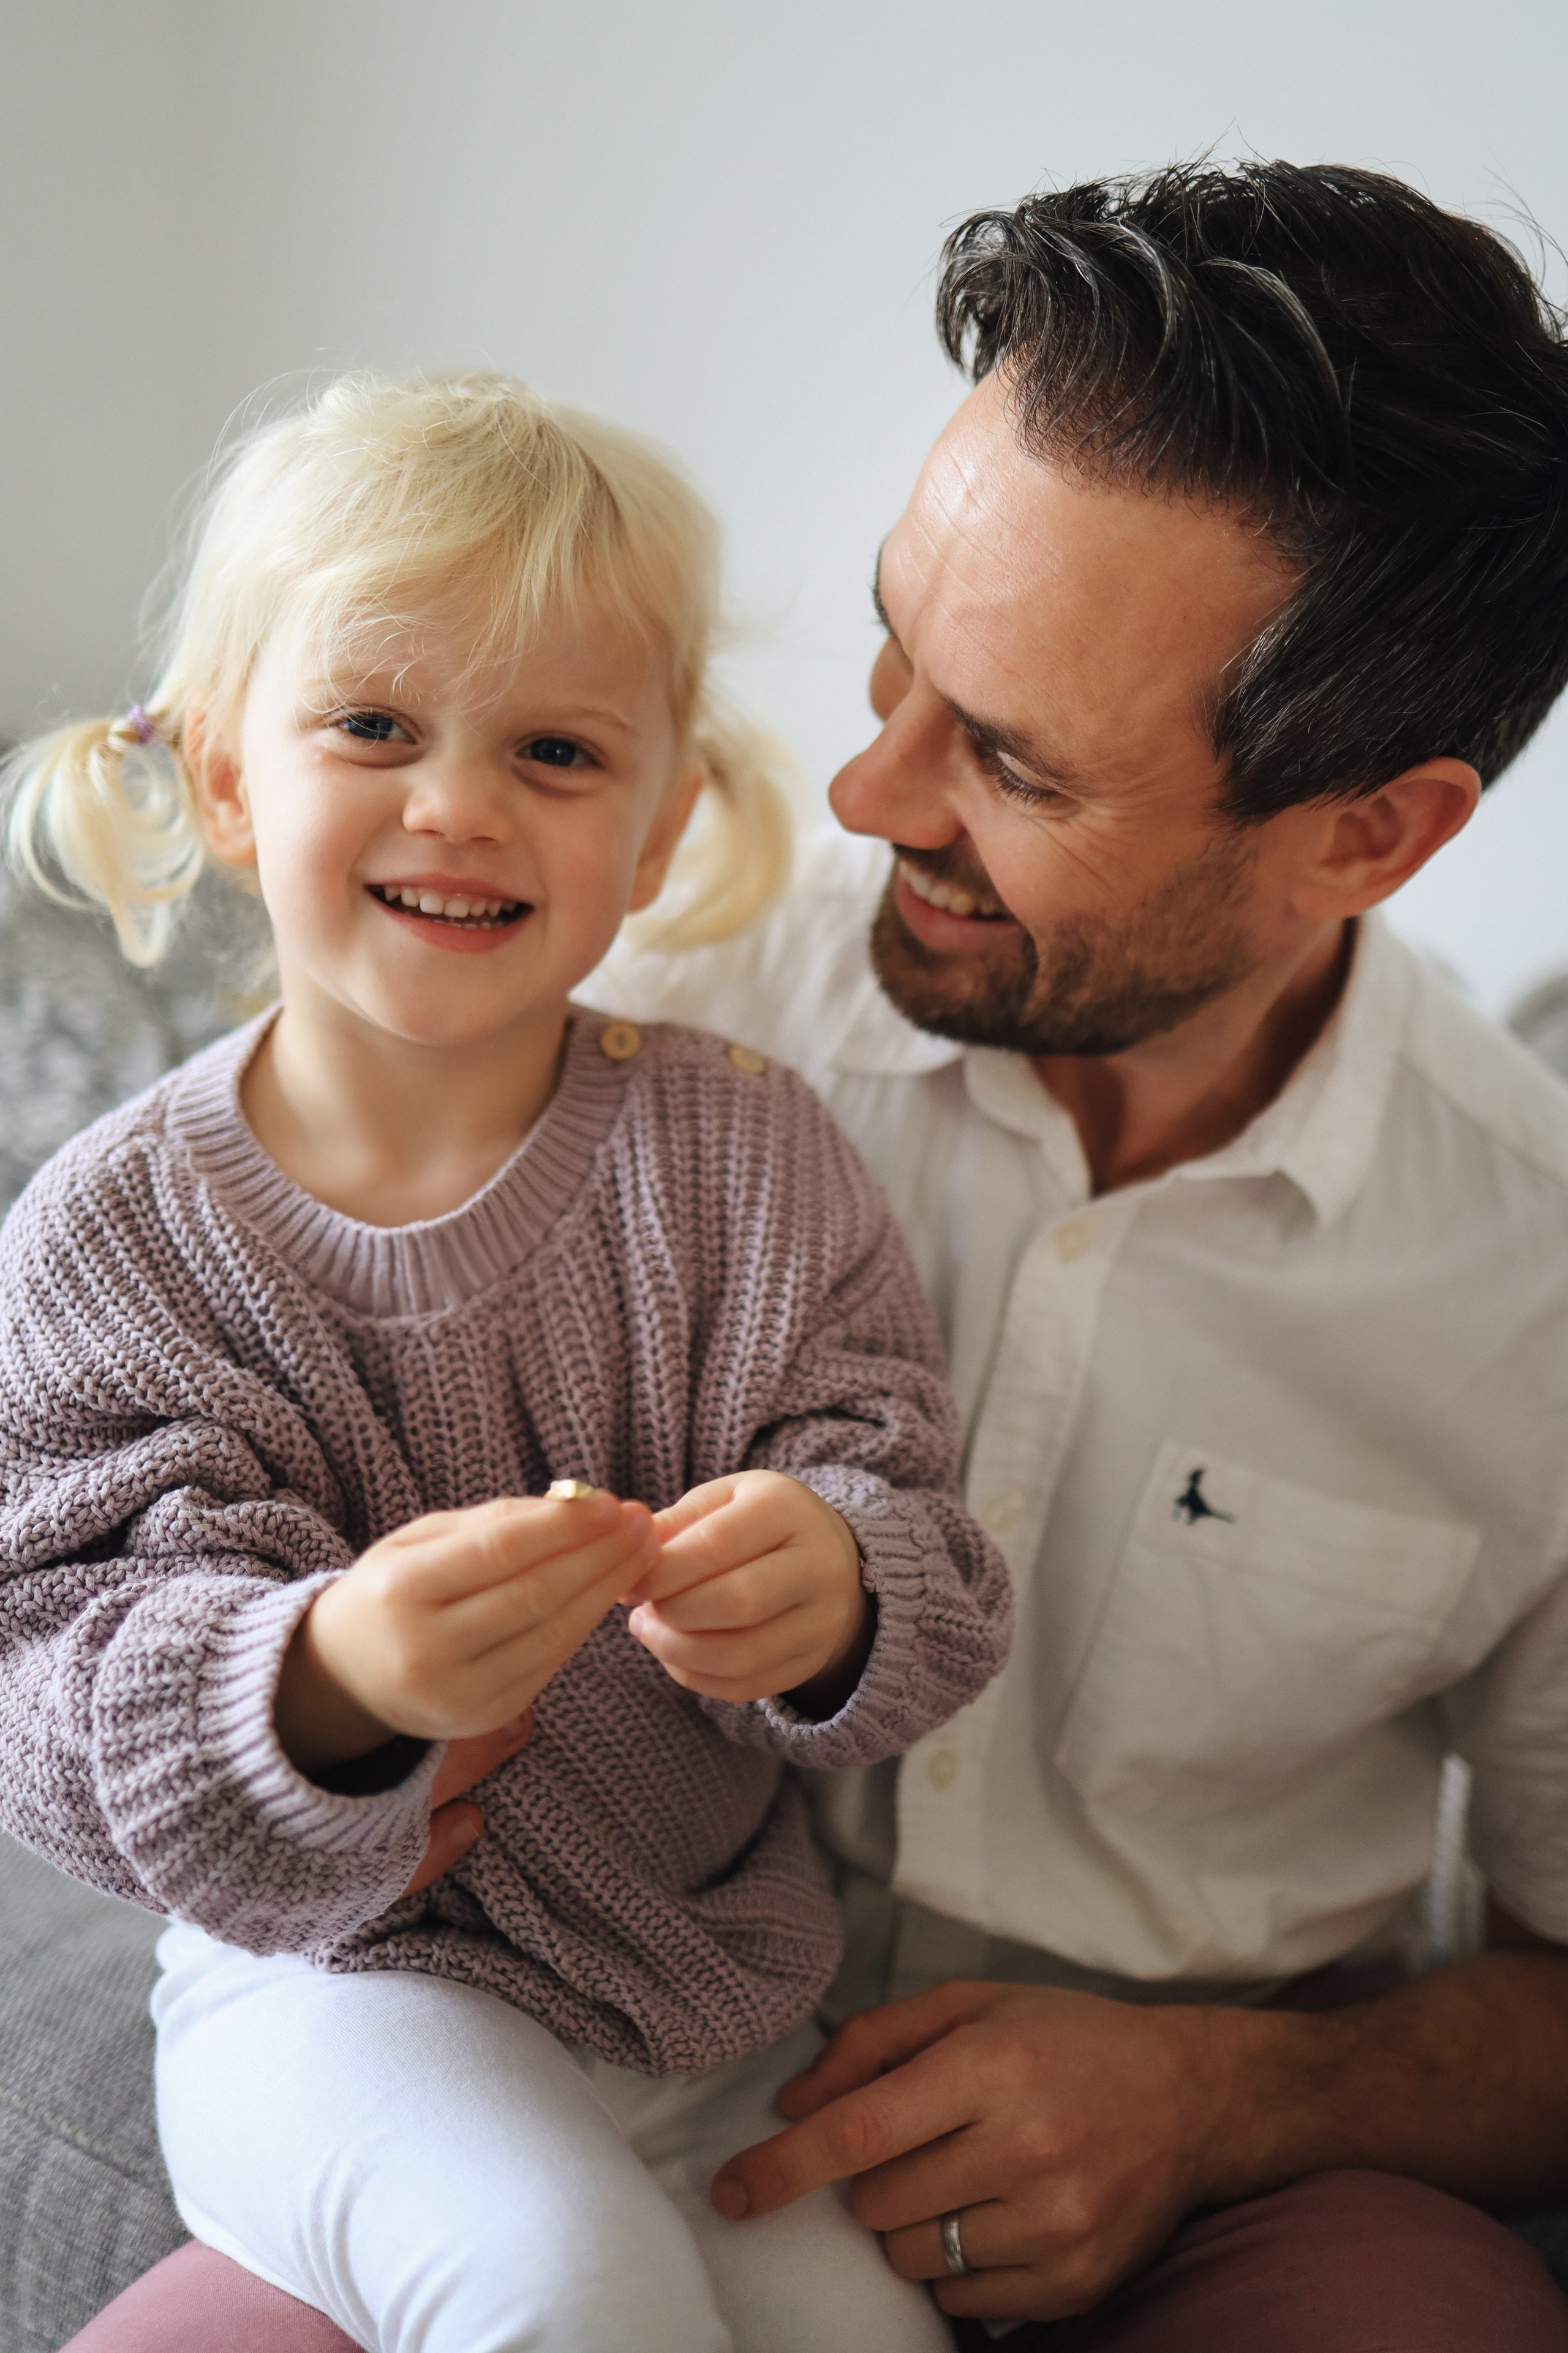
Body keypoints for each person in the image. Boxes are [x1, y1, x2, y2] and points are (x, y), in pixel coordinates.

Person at [56, 159, 1568, 2353]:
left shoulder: (1529, 1285)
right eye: (896, 655)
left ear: (1369, 833)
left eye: (1016, 759)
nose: (864, 792)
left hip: (1208, 2177)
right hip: (552, 2028)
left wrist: (1237, 2095)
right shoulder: (629, 1016)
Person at [0, 372, 1011, 2353]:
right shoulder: (113, 1235)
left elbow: (924, 1541)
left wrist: (833, 1582)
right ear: (224, 782)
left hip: (708, 1987)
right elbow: (52, 1665)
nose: (457, 801)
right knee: (561, 2281)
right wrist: (329, 1678)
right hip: (337, 1991)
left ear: (652, 838)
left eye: (555, 749)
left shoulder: (746, 1156)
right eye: (374, 725)